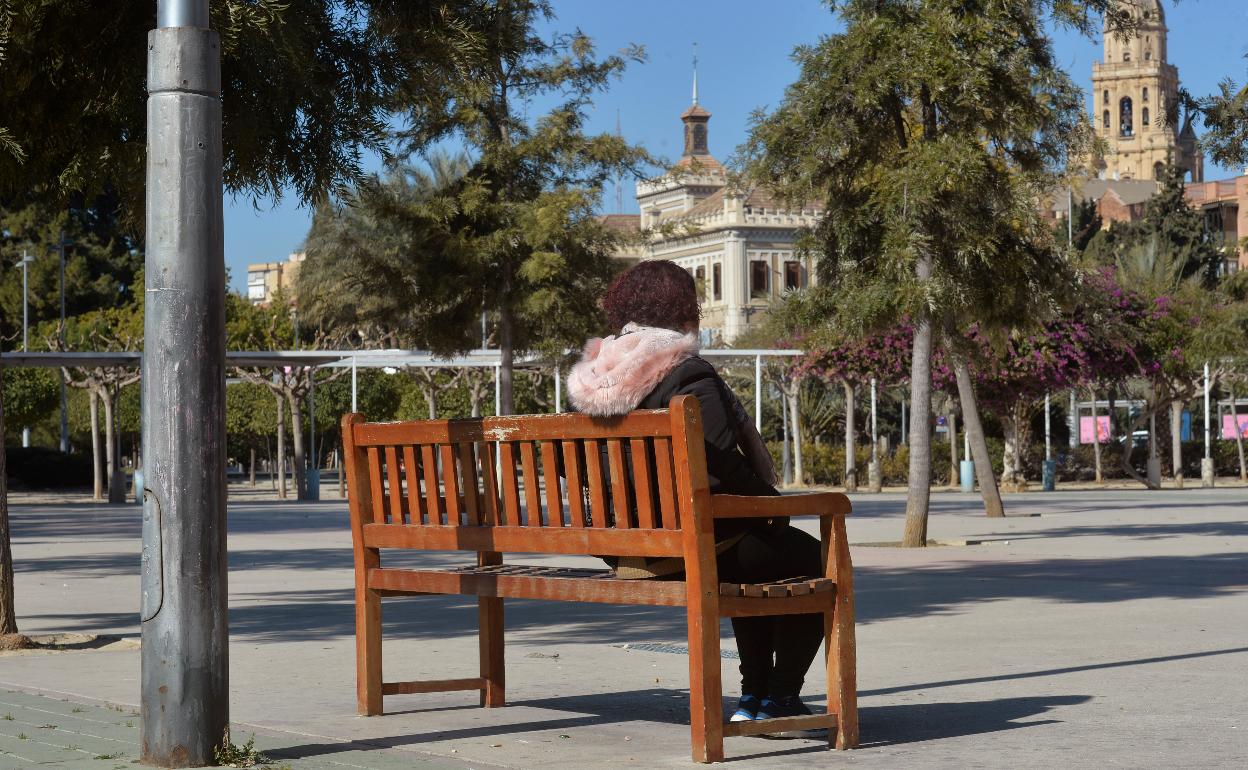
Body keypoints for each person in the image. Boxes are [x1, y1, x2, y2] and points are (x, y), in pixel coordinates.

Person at [566, 260, 824, 736]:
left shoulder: (590, 381)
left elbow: (574, 467)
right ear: (683, 311)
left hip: (623, 548)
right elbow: (725, 462)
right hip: (689, 545)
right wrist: (774, 508)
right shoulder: (687, 375)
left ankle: (756, 695)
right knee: (810, 555)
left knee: (757, 553)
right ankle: (778, 696)